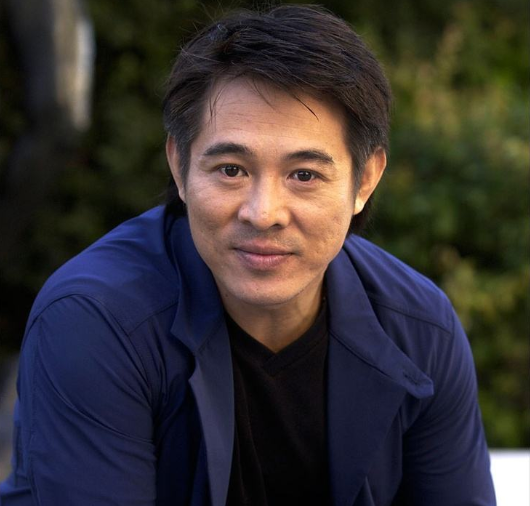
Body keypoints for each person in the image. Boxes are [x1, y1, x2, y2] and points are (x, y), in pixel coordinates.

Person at [0, 5, 496, 505]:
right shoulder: (97, 322)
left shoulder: (419, 330)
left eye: (304, 175)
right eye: (232, 170)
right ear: (179, 164)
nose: (263, 214)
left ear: (364, 180)